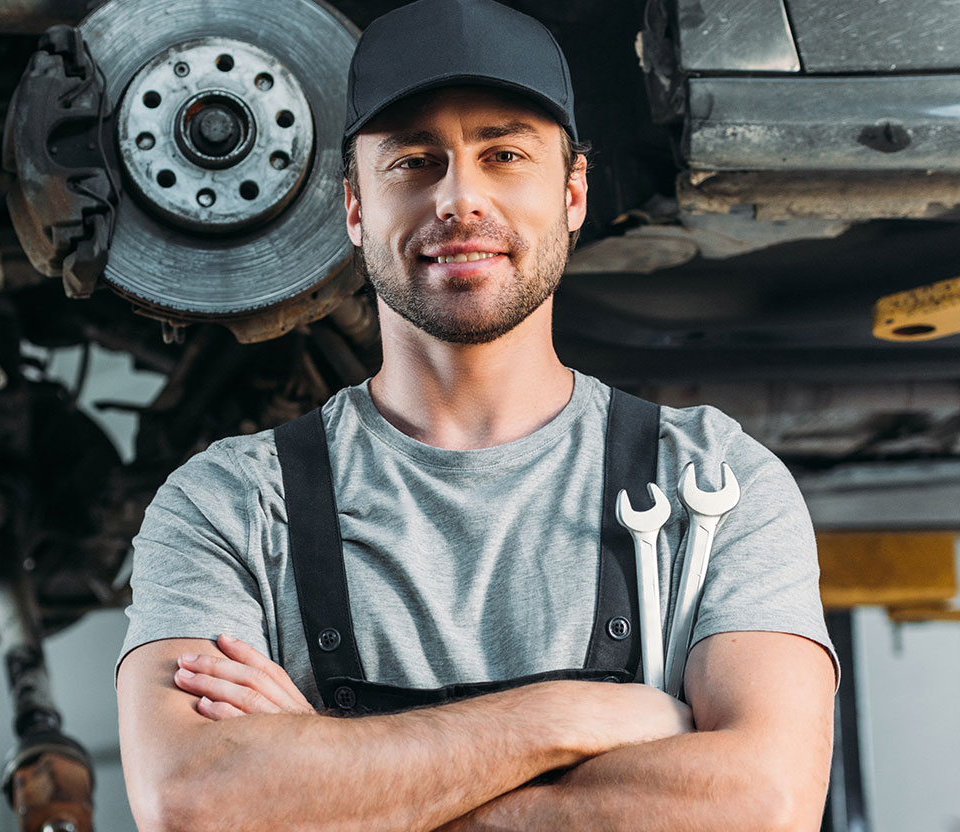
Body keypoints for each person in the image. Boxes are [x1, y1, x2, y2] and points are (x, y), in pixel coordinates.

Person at [114, 0, 839, 828]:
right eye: (414, 163)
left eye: (503, 155)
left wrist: (327, 774)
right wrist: (569, 721)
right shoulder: (229, 507)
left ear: (571, 195)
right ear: (354, 208)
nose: (459, 198)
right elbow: (196, 802)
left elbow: (764, 802)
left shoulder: (712, 482)